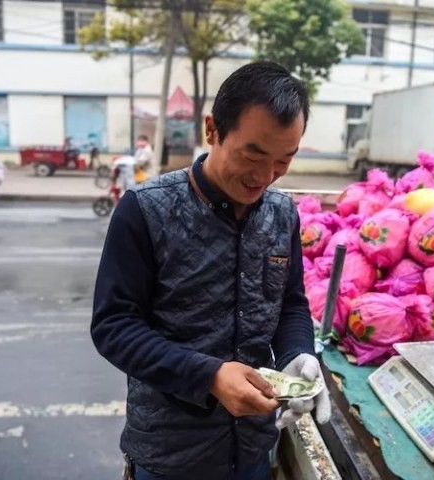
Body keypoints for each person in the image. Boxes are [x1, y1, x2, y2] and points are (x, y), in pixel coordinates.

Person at [91, 61, 330, 480]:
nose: (265, 177)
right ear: (212, 130)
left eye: (284, 161)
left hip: (255, 449)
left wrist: (298, 355)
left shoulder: (282, 214)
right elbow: (114, 326)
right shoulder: (145, 210)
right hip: (170, 456)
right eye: (252, 153)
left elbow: (290, 303)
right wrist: (209, 376)